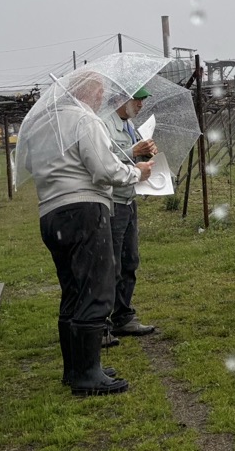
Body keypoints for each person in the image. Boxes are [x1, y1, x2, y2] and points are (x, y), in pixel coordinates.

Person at [24, 72, 153, 396]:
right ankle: (88, 374)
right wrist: (136, 172)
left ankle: (77, 367)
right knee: (96, 288)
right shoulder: (84, 120)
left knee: (72, 291)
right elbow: (103, 169)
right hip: (84, 210)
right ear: (87, 92)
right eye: (100, 91)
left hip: (51, 213)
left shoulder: (43, 125)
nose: (102, 98)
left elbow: (31, 165)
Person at [104, 86, 159, 338]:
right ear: (121, 100)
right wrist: (133, 152)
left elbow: (132, 157)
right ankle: (102, 322)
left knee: (129, 260)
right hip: (112, 202)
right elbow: (102, 160)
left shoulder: (129, 126)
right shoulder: (105, 124)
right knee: (110, 264)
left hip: (128, 199)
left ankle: (123, 315)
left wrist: (146, 151)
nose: (140, 106)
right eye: (137, 101)